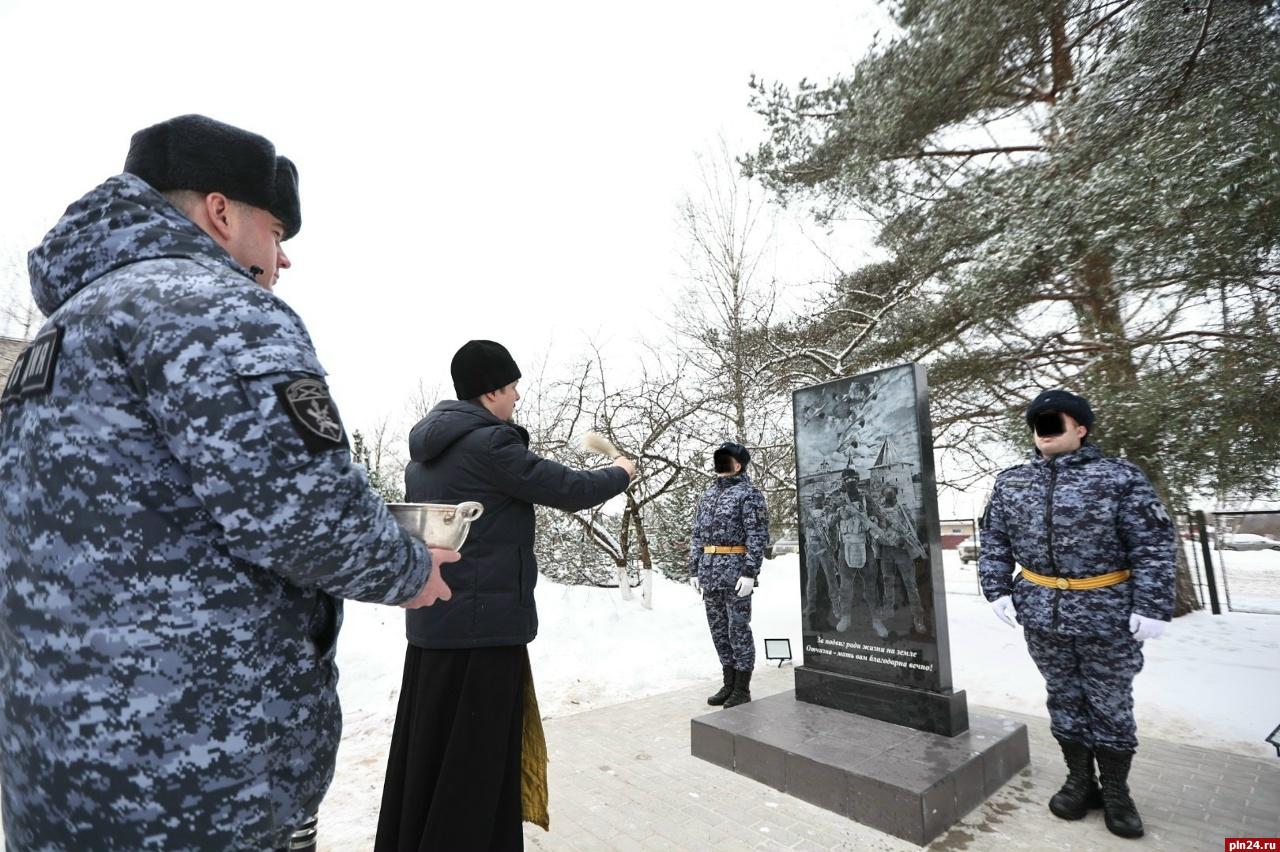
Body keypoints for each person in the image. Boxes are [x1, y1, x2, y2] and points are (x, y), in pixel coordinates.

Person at [0, 114, 458, 852]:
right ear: (220, 212)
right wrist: (409, 569)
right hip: (194, 783)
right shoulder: (215, 308)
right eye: (275, 232)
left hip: (55, 776)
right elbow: (303, 510)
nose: (283, 257)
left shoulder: (57, 337)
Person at [375, 340, 635, 852]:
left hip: (434, 628)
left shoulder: (424, 458)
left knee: (432, 756)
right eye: (512, 386)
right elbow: (566, 487)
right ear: (490, 390)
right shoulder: (490, 445)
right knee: (478, 764)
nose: (517, 395)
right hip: (483, 633)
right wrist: (620, 473)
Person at [979, 389, 1175, 839]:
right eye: (1038, 424)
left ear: (1081, 428)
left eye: (1054, 423)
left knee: (1110, 703)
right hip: (1041, 613)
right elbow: (994, 541)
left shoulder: (1120, 477)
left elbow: (1153, 545)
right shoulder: (1012, 482)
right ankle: (1079, 781)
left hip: (1107, 614)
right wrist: (996, 590)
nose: (1043, 431)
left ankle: (1117, 793)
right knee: (1063, 698)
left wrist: (1152, 604)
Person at [689, 442, 768, 709]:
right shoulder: (709, 495)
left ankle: (742, 688)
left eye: (726, 458)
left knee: (738, 630)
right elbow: (698, 535)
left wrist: (750, 572)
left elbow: (757, 535)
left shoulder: (749, 494)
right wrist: (694, 568)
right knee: (719, 631)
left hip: (736, 573)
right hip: (710, 573)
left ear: (738, 464)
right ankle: (729, 683)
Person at [870, 483, 928, 635]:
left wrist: (903, 540)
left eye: (891, 493)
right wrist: (880, 538)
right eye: (886, 493)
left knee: (910, 584)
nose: (888, 496)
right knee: (887, 582)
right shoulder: (879, 511)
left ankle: (918, 617)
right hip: (886, 552)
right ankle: (888, 610)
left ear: (895, 494)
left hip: (902, 551)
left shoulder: (903, 509)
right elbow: (874, 530)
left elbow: (911, 528)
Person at [834, 476, 882, 633]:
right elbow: (828, 521)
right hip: (845, 546)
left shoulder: (866, 497)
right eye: (847, 479)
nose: (850, 482)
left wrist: (874, 518)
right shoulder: (837, 500)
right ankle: (845, 617)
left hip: (864, 544)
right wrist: (839, 514)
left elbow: (878, 515)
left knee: (871, 585)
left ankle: (876, 620)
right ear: (843, 482)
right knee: (845, 586)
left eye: (853, 478)